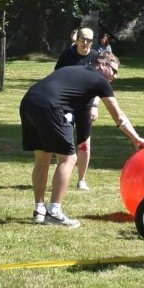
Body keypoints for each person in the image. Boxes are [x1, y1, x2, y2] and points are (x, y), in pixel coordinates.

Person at [21, 52, 144, 228]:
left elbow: (80, 107)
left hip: (29, 102)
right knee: (68, 158)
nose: (115, 76)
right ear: (102, 65)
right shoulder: (99, 81)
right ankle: (54, 212)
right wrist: (136, 138)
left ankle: (39, 210)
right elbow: (118, 116)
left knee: (42, 159)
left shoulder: (75, 70)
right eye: (113, 70)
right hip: (51, 106)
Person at [54, 27, 100, 191]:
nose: (86, 43)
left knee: (84, 143)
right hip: (67, 105)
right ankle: (62, 173)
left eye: (89, 40)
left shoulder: (95, 57)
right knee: (65, 140)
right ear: (77, 39)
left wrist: (94, 106)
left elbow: (98, 85)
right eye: (83, 40)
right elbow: (57, 78)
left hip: (86, 106)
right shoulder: (67, 55)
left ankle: (81, 180)